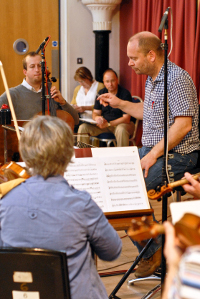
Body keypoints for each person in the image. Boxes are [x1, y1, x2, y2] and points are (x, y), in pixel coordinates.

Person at [97, 31, 199, 277]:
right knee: (111, 185)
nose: (129, 63)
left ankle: (154, 251)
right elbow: (149, 111)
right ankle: (156, 250)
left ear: (151, 55)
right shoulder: (152, 79)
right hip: (153, 151)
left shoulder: (177, 79)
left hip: (180, 156)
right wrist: (119, 103)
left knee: (125, 194)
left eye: (134, 58)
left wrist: (153, 154)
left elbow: (183, 125)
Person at [0, 115, 122, 299]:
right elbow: (112, 251)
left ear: (25, 153)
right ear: (67, 153)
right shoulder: (81, 203)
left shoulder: (5, 203)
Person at [0, 51, 79, 125]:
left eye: (40, 66)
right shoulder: (12, 94)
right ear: (25, 72)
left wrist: (63, 103)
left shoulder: (51, 93)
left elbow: (75, 121)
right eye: (32, 66)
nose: (37, 70)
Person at [77, 68, 135, 147]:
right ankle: (82, 157)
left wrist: (108, 124)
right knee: (83, 128)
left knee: (121, 130)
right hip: (105, 125)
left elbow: (126, 119)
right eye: (107, 81)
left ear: (117, 80)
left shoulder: (125, 93)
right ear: (104, 82)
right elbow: (95, 113)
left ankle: (122, 158)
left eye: (113, 81)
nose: (110, 84)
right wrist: (97, 118)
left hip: (122, 124)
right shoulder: (101, 93)